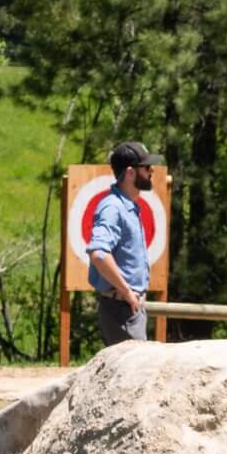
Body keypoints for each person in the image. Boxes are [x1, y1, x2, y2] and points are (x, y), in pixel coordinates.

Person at [85, 141, 157, 348]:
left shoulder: (127, 206)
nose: (151, 170)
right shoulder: (113, 208)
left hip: (127, 308)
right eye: (145, 167)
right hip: (121, 310)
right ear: (130, 173)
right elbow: (98, 253)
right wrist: (127, 293)